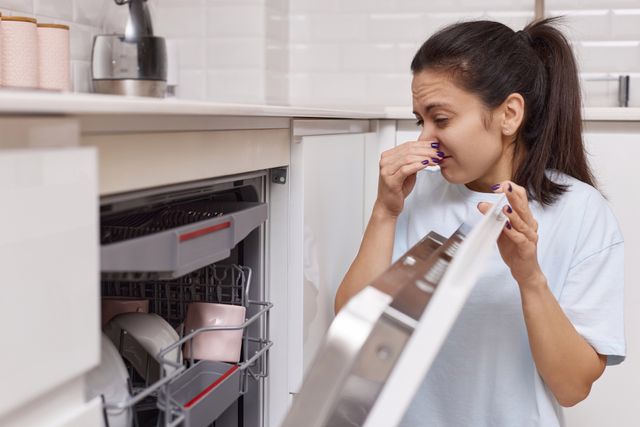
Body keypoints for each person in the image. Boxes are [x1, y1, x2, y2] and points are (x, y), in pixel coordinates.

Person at [334, 17, 625, 427]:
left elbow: (573, 388)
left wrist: (529, 277)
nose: (424, 139)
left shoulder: (582, 214)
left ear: (509, 114)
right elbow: (354, 337)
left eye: (442, 119)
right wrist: (385, 212)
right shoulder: (415, 196)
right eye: (421, 120)